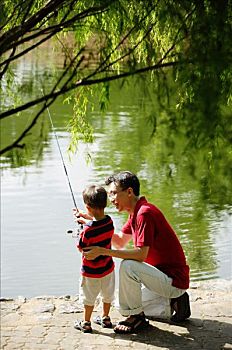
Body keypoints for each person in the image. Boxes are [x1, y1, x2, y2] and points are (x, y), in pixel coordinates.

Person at [81, 171, 191, 334]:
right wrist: (94, 223)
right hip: (164, 279)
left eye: (113, 193)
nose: (111, 199)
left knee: (129, 266)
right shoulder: (135, 212)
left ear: (129, 192)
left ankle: (137, 318)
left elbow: (141, 255)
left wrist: (102, 251)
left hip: (172, 279)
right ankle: (174, 302)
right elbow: (118, 242)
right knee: (121, 305)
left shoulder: (144, 213)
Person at [73, 185, 115, 333]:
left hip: (91, 272)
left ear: (88, 206)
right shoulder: (110, 222)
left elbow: (81, 248)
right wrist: (85, 218)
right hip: (108, 269)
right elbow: (97, 224)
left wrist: (81, 230)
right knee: (107, 295)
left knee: (88, 297)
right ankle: (105, 318)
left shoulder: (87, 231)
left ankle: (86, 322)